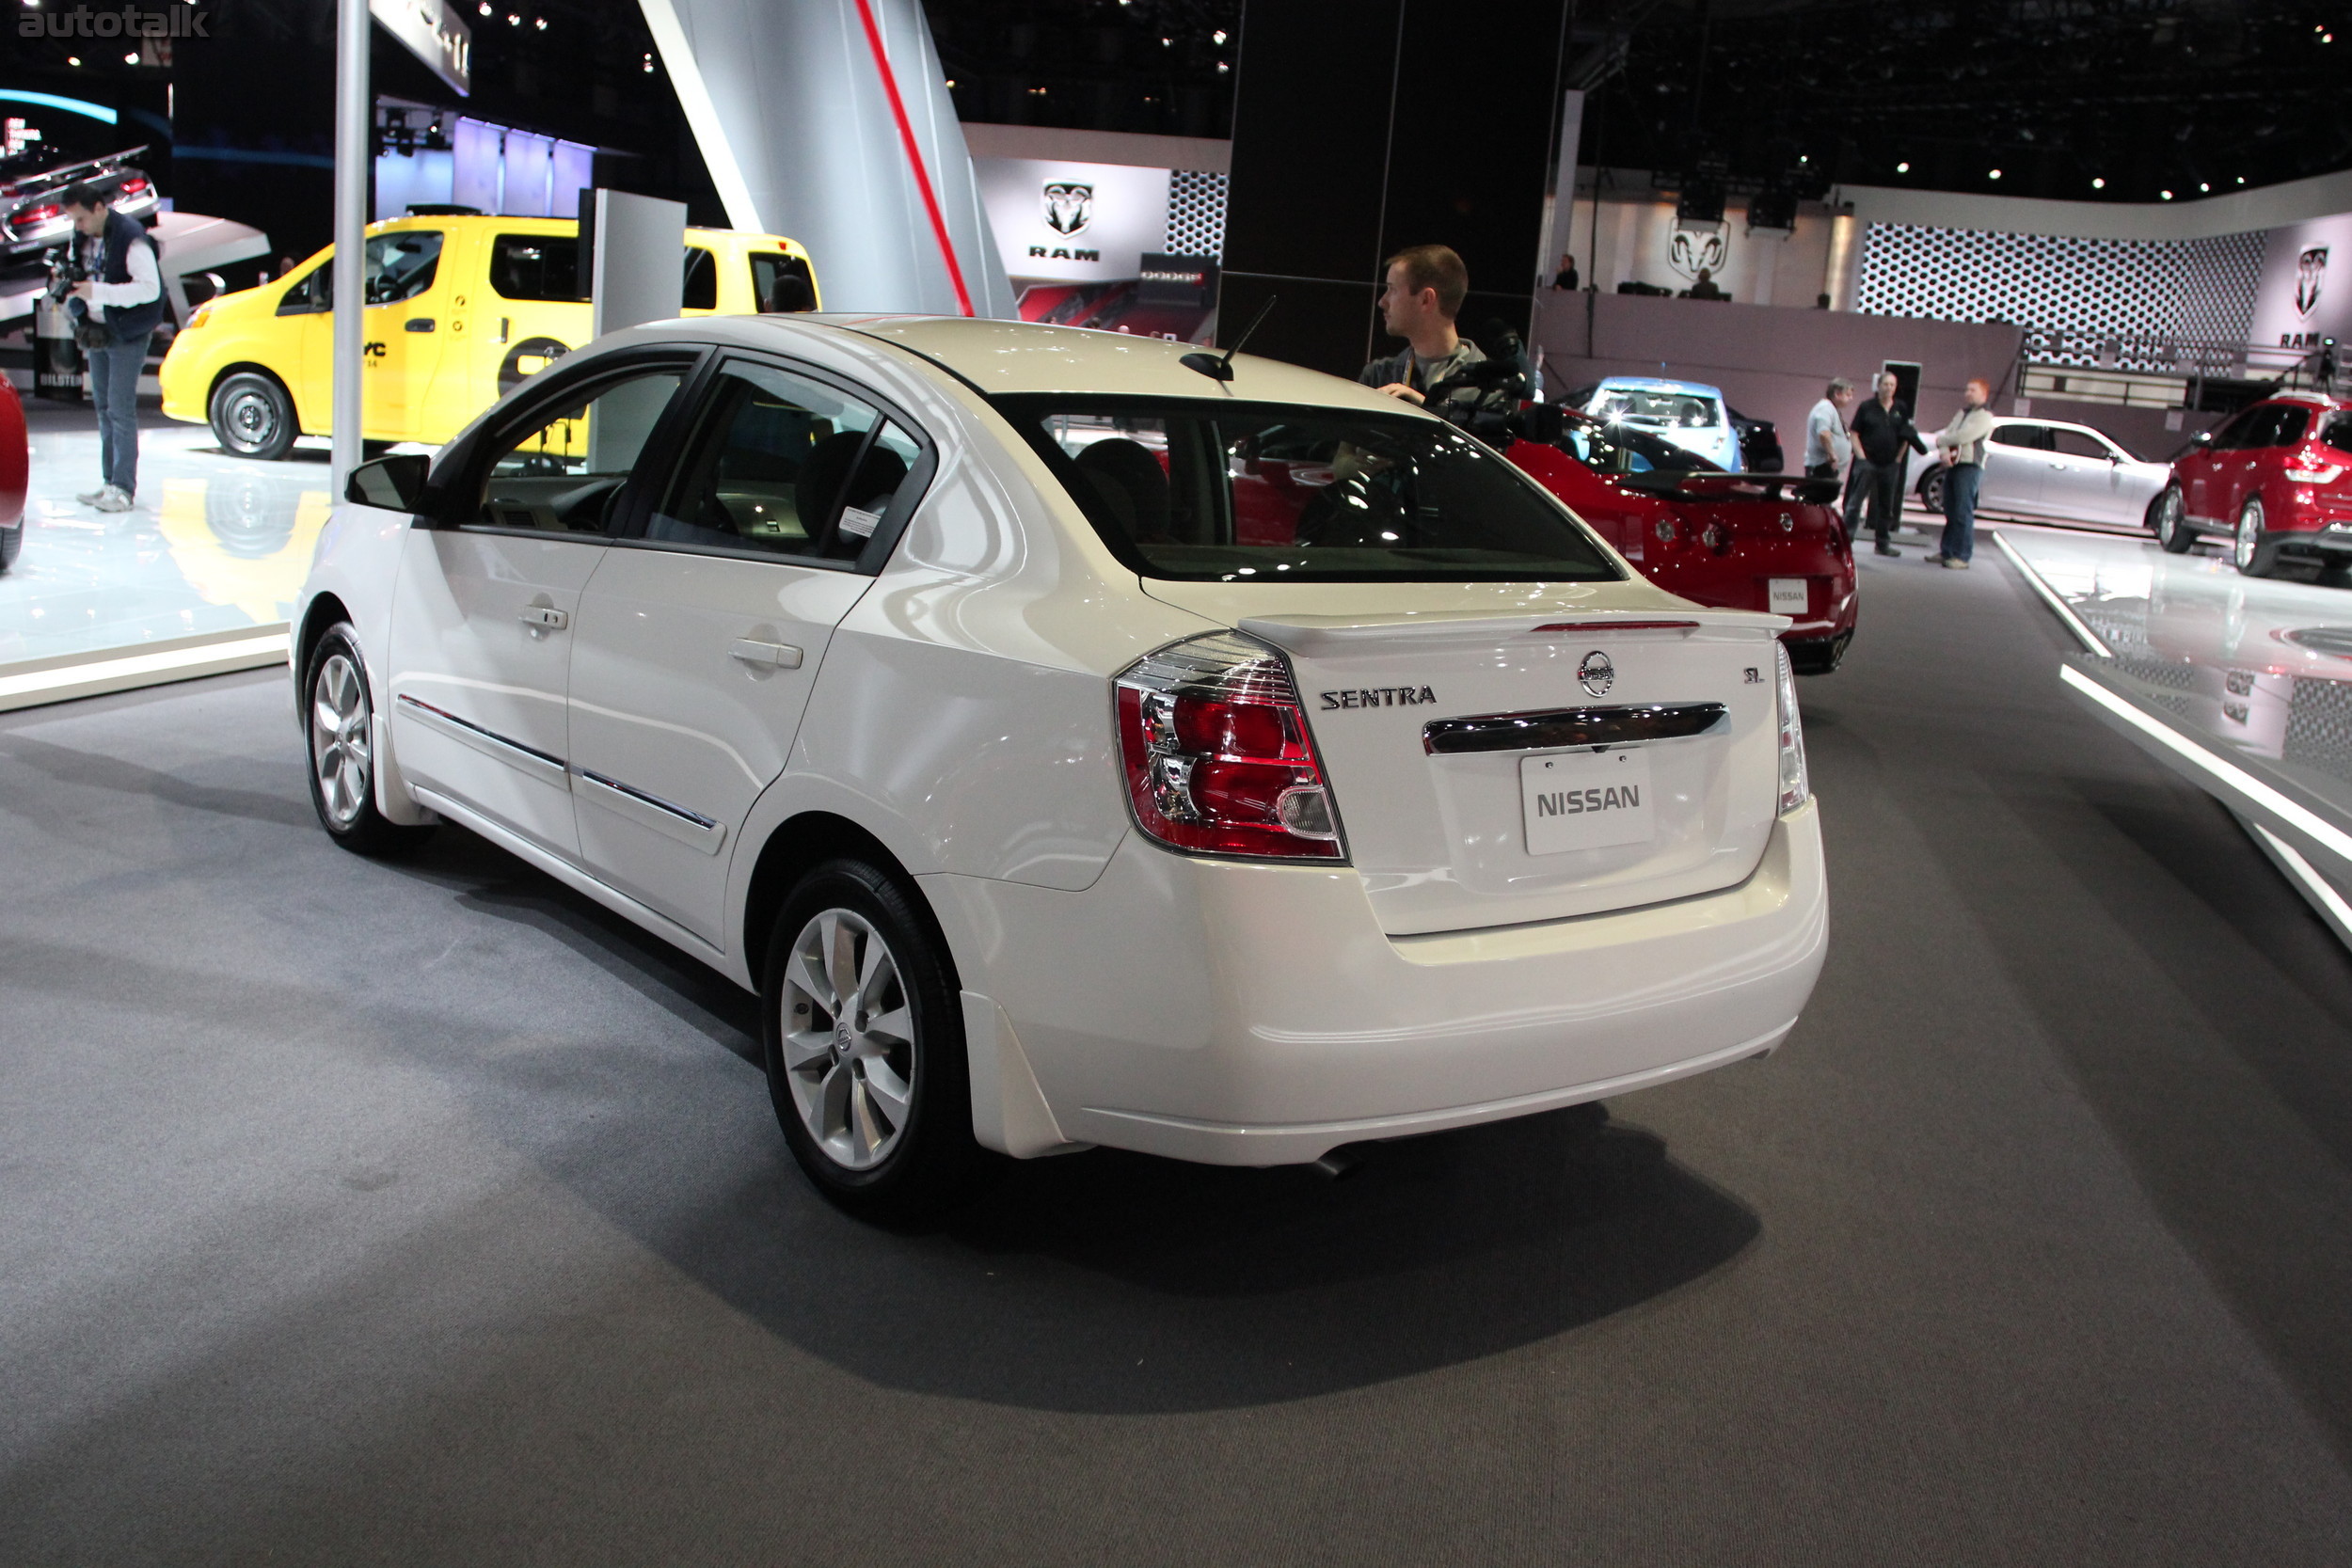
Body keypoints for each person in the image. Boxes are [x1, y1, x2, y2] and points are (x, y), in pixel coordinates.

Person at [61, 182, 165, 515]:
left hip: (127, 333)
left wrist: (99, 292)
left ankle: (123, 488)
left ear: (99, 209)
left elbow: (150, 289)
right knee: (104, 408)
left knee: (119, 410)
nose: (77, 227)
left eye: (80, 219)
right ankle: (110, 483)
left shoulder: (131, 237)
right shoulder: (82, 238)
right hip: (97, 331)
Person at [1359, 245, 1484, 404]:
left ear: (1426, 299)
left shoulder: (1487, 386)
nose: (1382, 302)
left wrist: (1425, 407)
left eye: (1392, 289)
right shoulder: (1378, 376)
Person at [1846, 370, 1926, 556]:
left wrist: (1898, 458)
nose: (1889, 388)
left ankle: (1882, 544)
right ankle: (1847, 542)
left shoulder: (1901, 408)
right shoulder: (1866, 407)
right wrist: (1861, 457)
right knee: (1854, 504)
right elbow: (1855, 433)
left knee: (1886, 507)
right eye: (1885, 384)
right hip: (1867, 463)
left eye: (1892, 385)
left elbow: (1907, 434)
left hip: (1889, 465)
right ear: (1878, 386)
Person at [1927, 378, 1996, 569]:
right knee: (1950, 509)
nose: (1968, 393)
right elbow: (1950, 432)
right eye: (1967, 390)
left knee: (1962, 511)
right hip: (1953, 464)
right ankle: (1947, 551)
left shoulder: (1985, 415)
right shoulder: (1962, 413)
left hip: (1969, 466)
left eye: (1972, 390)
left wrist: (1943, 441)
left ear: (1983, 394)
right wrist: (1944, 451)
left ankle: (1962, 555)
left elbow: (1964, 436)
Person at [1804, 377, 1855, 481]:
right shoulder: (1825, 408)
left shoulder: (1832, 409)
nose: (1851, 398)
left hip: (1827, 467)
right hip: (1821, 466)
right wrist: (1832, 454)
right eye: (1848, 395)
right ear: (1837, 394)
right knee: (1820, 495)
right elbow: (1824, 433)